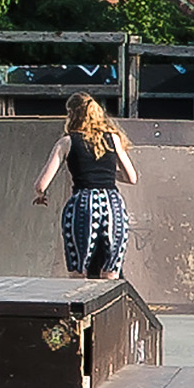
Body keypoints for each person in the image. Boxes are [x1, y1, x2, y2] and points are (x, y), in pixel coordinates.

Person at [30, 94, 136, 279]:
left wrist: (41, 195)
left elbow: (41, 184)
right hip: (113, 204)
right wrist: (109, 174)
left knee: (79, 268)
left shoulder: (67, 142)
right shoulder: (112, 138)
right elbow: (131, 177)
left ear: (72, 114)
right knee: (111, 269)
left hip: (83, 203)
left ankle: (80, 303)